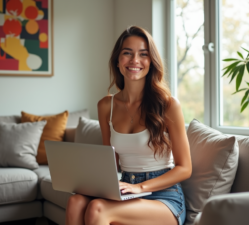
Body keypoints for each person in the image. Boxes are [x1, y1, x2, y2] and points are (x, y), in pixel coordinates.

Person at [66, 26, 192, 225]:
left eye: (143, 54)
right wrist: (87, 181)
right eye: (127, 53)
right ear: (118, 60)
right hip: (125, 188)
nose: (135, 60)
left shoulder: (168, 105)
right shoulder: (106, 106)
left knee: (98, 209)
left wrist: (140, 188)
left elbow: (185, 168)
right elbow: (111, 161)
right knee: (75, 202)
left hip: (164, 196)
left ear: (151, 61)